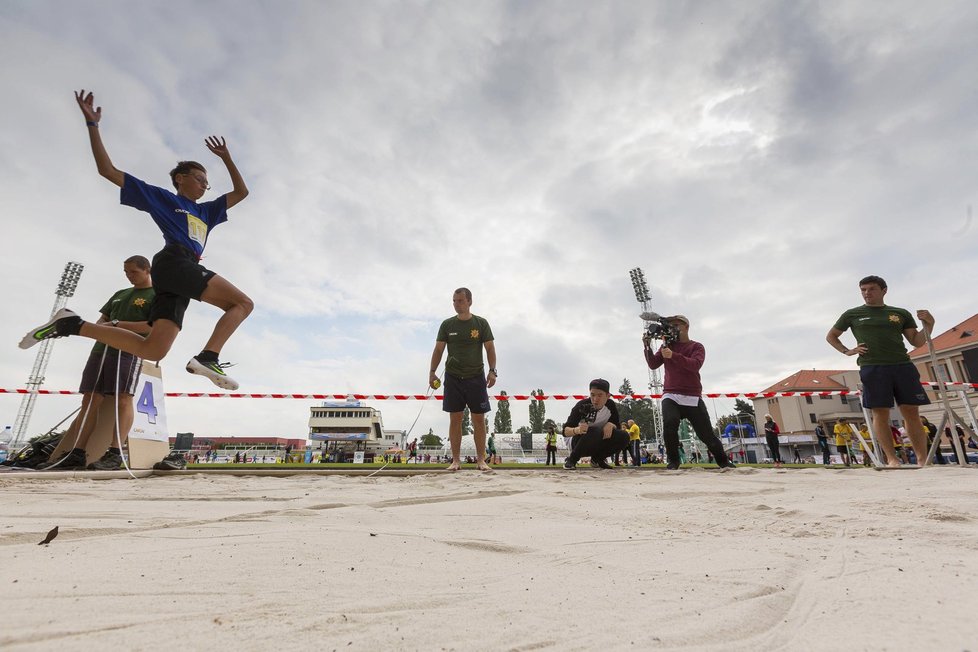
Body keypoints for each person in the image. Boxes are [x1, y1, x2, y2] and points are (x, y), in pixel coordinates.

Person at [20, 90, 253, 390]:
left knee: (153, 349)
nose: (204, 186)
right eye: (199, 179)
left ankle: (72, 324)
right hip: (174, 261)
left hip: (178, 274)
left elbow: (241, 193)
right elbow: (107, 171)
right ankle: (209, 356)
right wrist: (93, 126)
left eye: (208, 184)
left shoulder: (207, 211)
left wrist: (228, 159)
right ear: (180, 178)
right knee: (243, 303)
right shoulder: (163, 198)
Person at [38, 256, 154, 471]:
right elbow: (101, 321)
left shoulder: (156, 295)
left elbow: (151, 327)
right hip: (101, 350)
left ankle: (115, 453)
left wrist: (117, 325)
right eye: (126, 272)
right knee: (90, 399)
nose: (129, 276)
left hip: (128, 352)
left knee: (123, 398)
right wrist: (99, 328)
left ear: (147, 270)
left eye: (133, 272)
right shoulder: (120, 295)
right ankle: (77, 452)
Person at [826, 275, 934, 466]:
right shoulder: (852, 314)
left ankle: (922, 459)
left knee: (911, 412)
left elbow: (917, 341)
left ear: (884, 290)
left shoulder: (899, 313)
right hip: (873, 367)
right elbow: (831, 336)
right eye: (863, 290)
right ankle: (892, 459)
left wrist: (929, 324)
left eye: (871, 289)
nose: (867, 293)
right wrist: (847, 351)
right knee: (880, 412)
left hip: (902, 365)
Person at [643, 315, 735, 470]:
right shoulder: (666, 345)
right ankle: (673, 461)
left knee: (706, 434)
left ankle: (723, 461)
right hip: (671, 393)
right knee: (670, 423)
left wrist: (674, 356)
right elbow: (653, 364)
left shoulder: (697, 347)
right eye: (670, 326)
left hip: (692, 396)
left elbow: (695, 365)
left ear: (686, 327)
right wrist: (647, 347)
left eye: (676, 325)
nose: (672, 328)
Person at [429, 288, 496, 472]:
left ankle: (481, 460)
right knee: (455, 418)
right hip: (453, 377)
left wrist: (492, 371)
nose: (456, 304)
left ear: (469, 302)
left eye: (460, 300)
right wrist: (432, 372)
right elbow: (438, 350)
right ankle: (456, 460)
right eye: (454, 301)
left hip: (476, 377)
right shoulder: (447, 325)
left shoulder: (481, 323)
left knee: (478, 420)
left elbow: (490, 348)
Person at [561, 379, 629, 469]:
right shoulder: (582, 406)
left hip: (598, 440)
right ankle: (571, 460)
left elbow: (617, 426)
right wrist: (577, 430)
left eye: (600, 395)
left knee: (624, 436)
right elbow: (565, 432)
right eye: (592, 395)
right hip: (577, 441)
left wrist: (611, 424)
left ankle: (597, 459)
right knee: (595, 430)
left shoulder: (611, 406)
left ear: (608, 396)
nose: (595, 399)